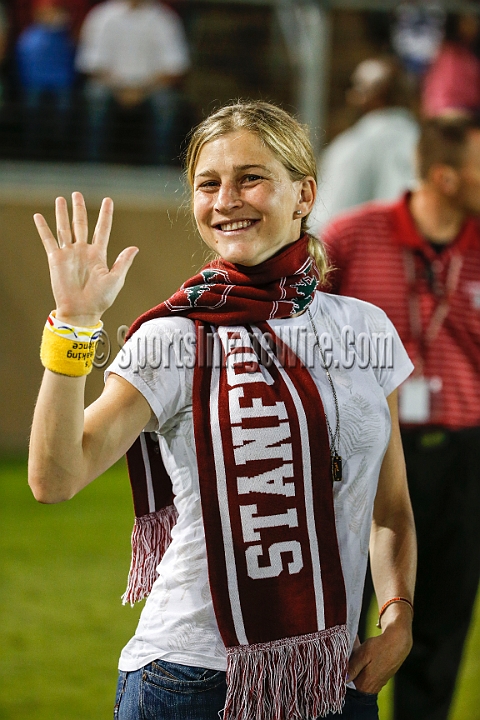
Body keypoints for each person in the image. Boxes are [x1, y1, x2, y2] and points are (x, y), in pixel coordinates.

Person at [28, 100, 416, 720]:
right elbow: (56, 476)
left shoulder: (365, 329)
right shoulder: (175, 336)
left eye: (250, 178)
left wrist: (397, 617)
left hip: (334, 681)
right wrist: (73, 327)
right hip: (191, 682)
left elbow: (390, 505)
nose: (226, 199)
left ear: (304, 193)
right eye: (208, 184)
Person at [321, 116, 480, 720]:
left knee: (441, 628)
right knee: (342, 624)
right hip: (365, 454)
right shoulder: (353, 237)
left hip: (464, 455)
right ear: (445, 177)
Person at [309, 56, 419, 234]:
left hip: (363, 255)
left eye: (356, 89)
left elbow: (326, 222)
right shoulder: (428, 145)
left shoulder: (353, 146)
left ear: (365, 97)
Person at [75, 0, 189, 163]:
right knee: (96, 95)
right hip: (110, 85)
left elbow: (175, 67)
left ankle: (159, 167)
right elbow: (91, 65)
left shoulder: (163, 18)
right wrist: (121, 89)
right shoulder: (102, 16)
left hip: (152, 88)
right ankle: (92, 163)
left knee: (166, 102)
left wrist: (141, 90)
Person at [15, 0, 75, 158]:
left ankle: (61, 150)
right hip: (35, 85)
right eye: (47, 13)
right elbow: (26, 66)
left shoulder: (66, 38)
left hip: (60, 85)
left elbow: (69, 66)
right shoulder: (30, 37)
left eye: (55, 13)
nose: (52, 17)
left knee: (63, 108)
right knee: (32, 107)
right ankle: (31, 151)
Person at [421, 12, 480, 118]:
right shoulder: (449, 55)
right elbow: (443, 97)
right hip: (448, 113)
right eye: (469, 21)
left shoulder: (468, 52)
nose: (475, 25)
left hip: (468, 111)